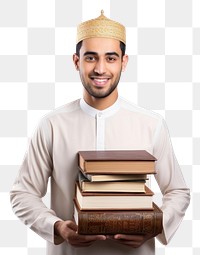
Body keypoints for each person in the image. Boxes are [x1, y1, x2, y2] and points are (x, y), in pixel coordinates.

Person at [10, 10, 190, 255]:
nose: (100, 69)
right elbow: (23, 194)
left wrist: (154, 227)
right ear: (76, 61)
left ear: (124, 62)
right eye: (91, 58)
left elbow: (177, 191)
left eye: (111, 58)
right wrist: (58, 227)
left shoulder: (152, 124)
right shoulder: (51, 125)